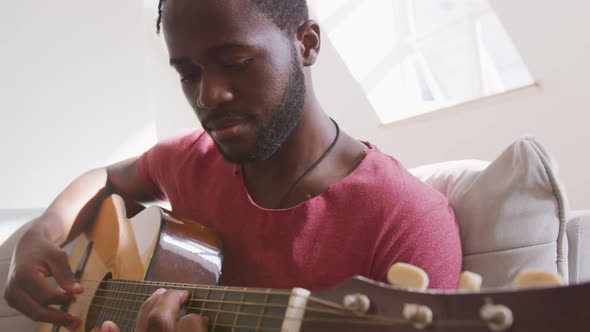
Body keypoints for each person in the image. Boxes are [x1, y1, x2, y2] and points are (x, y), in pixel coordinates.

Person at [4, 0, 462, 331]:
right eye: (188, 74)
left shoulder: (406, 221)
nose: (208, 97)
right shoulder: (189, 158)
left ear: (306, 43)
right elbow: (106, 179)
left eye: (236, 62)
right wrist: (41, 234)